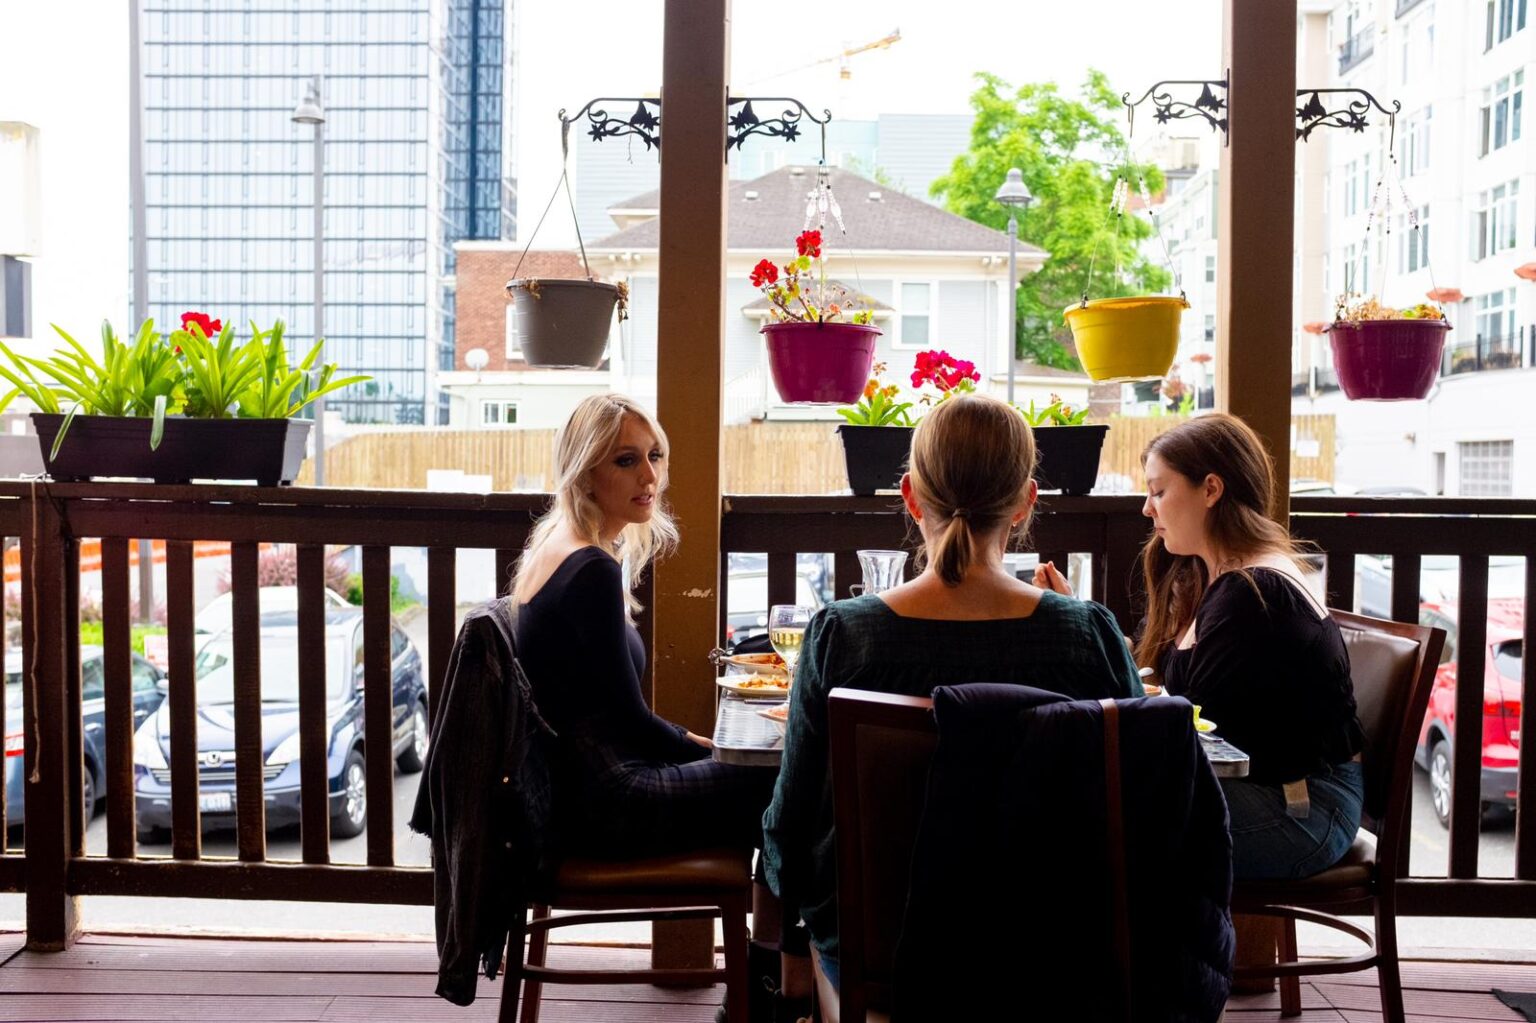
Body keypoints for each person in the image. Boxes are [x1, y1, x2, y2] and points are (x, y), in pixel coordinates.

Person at [761, 393, 1142, 995]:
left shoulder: (844, 635)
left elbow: (791, 824)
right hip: (1055, 955)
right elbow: (1142, 800)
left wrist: (794, 915)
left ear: (911, 497)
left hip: (882, 957)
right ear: (1025, 502)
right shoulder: (1087, 635)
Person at [509, 394, 795, 1023]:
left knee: (772, 783)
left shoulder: (556, 546)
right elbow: (631, 721)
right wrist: (717, 750)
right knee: (790, 780)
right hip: (607, 804)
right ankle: (773, 984)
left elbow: (617, 714)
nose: (649, 477)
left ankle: (764, 981)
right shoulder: (588, 569)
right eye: (626, 461)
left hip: (574, 795)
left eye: (655, 456)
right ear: (585, 471)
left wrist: (709, 752)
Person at [1133, 412, 1365, 881]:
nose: (1146, 509)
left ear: (1211, 490)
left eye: (1158, 492)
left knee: (1102, 825)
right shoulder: (1216, 577)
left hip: (1302, 808)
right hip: (1274, 790)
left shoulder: (1255, 594)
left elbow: (1199, 730)